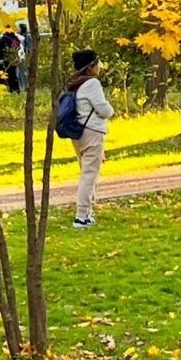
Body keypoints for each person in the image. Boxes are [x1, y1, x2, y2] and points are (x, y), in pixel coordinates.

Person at [65, 48, 114, 229]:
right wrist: (111, 109)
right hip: (92, 132)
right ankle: (81, 216)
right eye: (97, 63)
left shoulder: (75, 84)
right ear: (90, 67)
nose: (99, 66)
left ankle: (87, 213)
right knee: (89, 175)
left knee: (86, 172)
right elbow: (104, 109)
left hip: (78, 133)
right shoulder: (92, 84)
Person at [0, 29, 22, 94]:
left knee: (3, 75)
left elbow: (2, 48)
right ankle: (15, 89)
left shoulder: (4, 38)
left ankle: (2, 89)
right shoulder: (15, 38)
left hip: (5, 59)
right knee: (13, 75)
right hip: (13, 59)